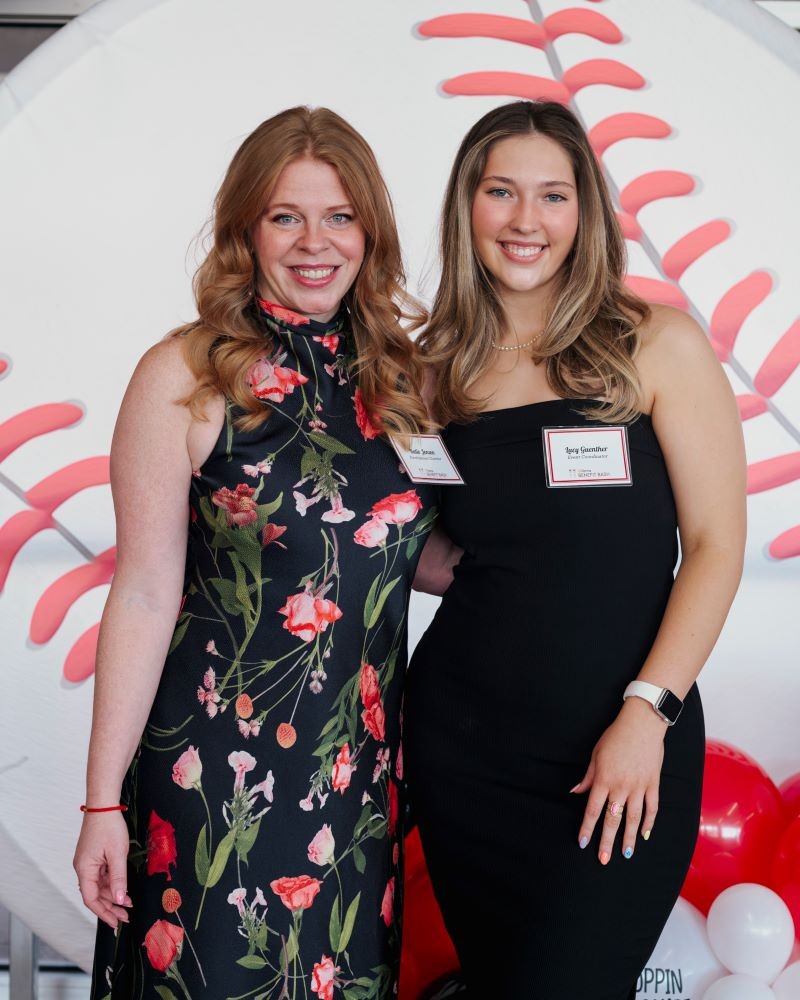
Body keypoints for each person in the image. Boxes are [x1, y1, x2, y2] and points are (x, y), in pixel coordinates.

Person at [73, 106, 437, 999]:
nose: (315, 242)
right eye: (286, 216)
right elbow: (146, 593)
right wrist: (100, 805)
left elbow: (412, 556)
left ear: (370, 232)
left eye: (339, 216)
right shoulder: (185, 375)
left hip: (350, 792)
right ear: (246, 229)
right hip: (209, 777)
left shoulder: (405, 377)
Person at [406, 100, 746, 999]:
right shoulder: (428, 368)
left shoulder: (655, 345)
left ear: (586, 210)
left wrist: (648, 716)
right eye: (502, 192)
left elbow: (715, 548)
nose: (527, 221)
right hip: (466, 751)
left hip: (622, 748)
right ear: (466, 206)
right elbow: (406, 535)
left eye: (553, 195)